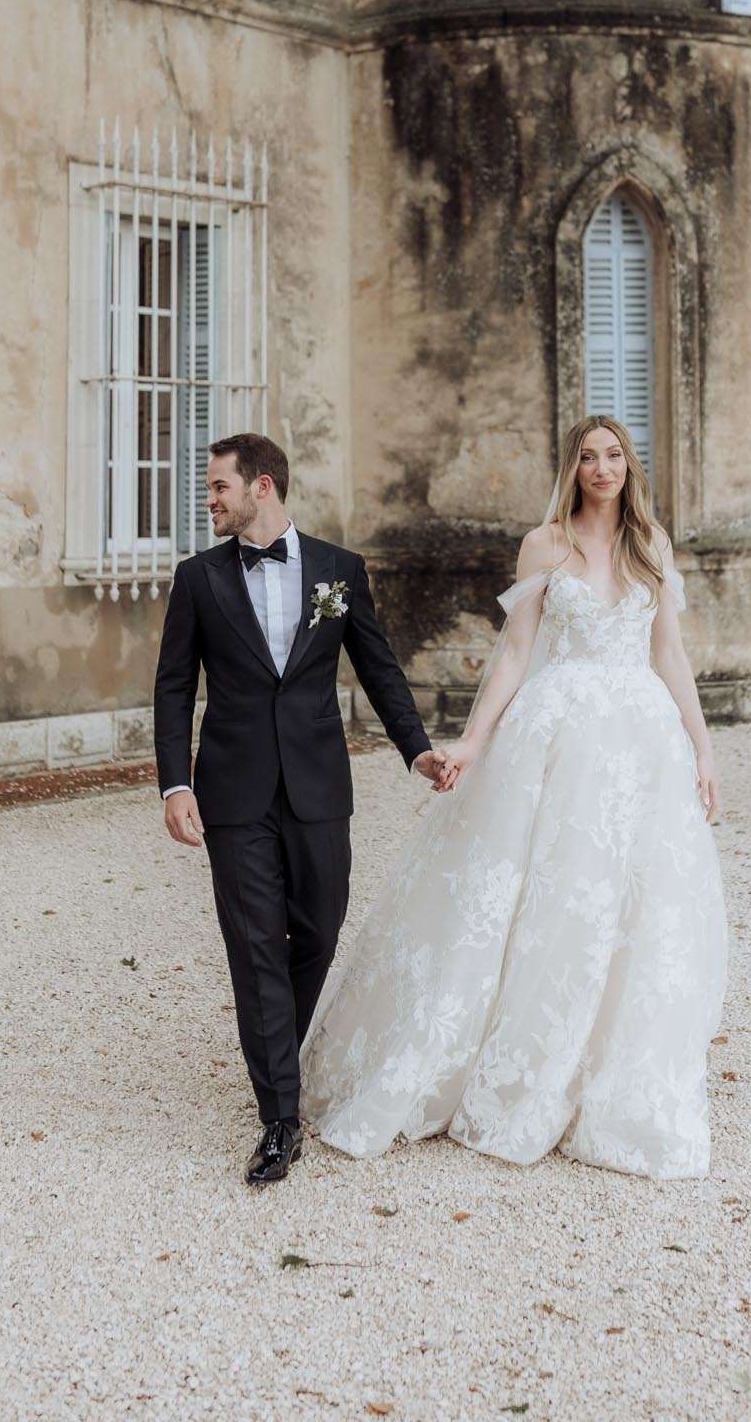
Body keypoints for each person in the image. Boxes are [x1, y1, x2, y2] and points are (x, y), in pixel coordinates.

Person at [300, 414, 729, 1179]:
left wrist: (701, 747)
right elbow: (515, 655)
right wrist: (470, 740)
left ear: (629, 467)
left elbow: (669, 652)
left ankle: (606, 1066)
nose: (602, 468)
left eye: (614, 457)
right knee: (540, 892)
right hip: (554, 735)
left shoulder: (652, 544)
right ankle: (513, 1061)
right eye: (589, 457)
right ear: (572, 468)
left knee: (631, 899)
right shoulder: (544, 544)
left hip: (639, 742)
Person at [153, 432, 452, 1187]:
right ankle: (280, 1117)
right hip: (232, 790)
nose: (209, 499)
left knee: (318, 929)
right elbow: (173, 688)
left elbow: (378, 668)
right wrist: (174, 783)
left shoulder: (337, 570)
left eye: (219, 486)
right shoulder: (198, 578)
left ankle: (278, 1047)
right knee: (256, 946)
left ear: (262, 487)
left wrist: (414, 748)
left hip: (318, 785)